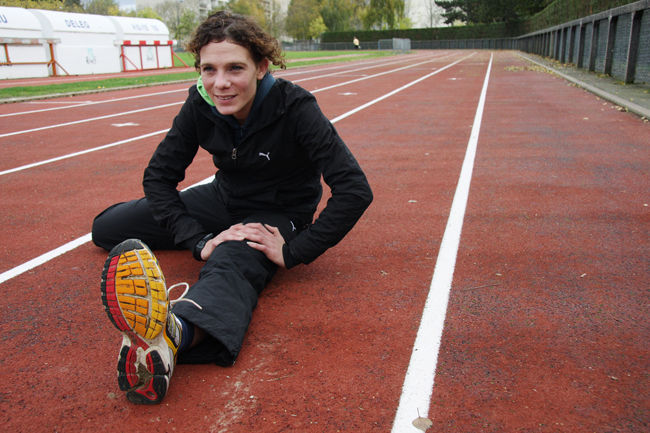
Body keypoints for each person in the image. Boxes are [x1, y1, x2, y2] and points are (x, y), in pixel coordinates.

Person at [92, 10, 372, 405]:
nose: (220, 83)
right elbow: (159, 177)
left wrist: (294, 251)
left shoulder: (296, 108)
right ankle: (208, 252)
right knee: (107, 229)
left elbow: (355, 190)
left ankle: (174, 334)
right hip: (221, 200)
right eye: (209, 69)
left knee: (231, 259)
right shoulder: (200, 103)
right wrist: (198, 239)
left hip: (277, 214)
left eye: (234, 68)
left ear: (261, 66)